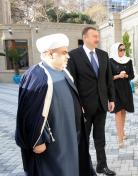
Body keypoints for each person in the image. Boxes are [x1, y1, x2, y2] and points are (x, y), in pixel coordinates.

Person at [15, 33, 91, 176]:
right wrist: (37, 140)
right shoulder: (37, 76)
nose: (68, 56)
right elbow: (28, 113)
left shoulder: (64, 73)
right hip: (53, 143)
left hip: (70, 135)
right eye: (63, 53)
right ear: (50, 54)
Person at [67, 27, 116, 176]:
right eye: (94, 36)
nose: (97, 39)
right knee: (84, 139)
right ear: (85, 37)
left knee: (100, 138)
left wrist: (111, 98)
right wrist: (77, 105)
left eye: (98, 36)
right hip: (84, 107)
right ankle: (85, 168)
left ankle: (102, 166)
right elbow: (71, 82)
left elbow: (108, 80)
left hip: (102, 104)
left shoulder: (103, 55)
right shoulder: (73, 56)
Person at [109, 42, 135, 148]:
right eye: (121, 50)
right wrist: (118, 76)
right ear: (116, 50)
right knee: (118, 113)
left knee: (124, 111)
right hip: (115, 90)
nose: (123, 52)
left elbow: (132, 75)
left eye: (124, 49)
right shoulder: (110, 61)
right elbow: (108, 78)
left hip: (126, 89)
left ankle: (122, 132)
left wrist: (126, 75)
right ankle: (120, 140)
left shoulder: (128, 60)